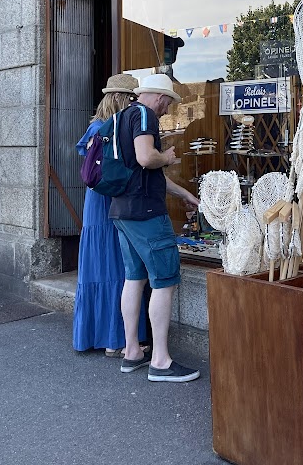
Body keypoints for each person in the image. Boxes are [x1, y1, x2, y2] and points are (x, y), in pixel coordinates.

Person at [110, 73, 201, 382]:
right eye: (168, 104)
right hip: (147, 214)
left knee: (133, 278)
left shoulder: (122, 116)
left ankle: (132, 351)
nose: (167, 110)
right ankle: (160, 360)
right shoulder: (146, 115)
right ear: (161, 98)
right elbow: (147, 158)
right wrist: (167, 157)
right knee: (164, 280)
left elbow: (145, 172)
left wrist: (184, 193)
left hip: (122, 210)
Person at [73, 73, 148, 355]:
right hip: (111, 199)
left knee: (101, 266)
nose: (134, 104)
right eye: (131, 99)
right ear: (120, 98)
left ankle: (99, 335)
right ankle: (116, 340)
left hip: (96, 200)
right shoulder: (110, 128)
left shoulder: (96, 127)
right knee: (116, 266)